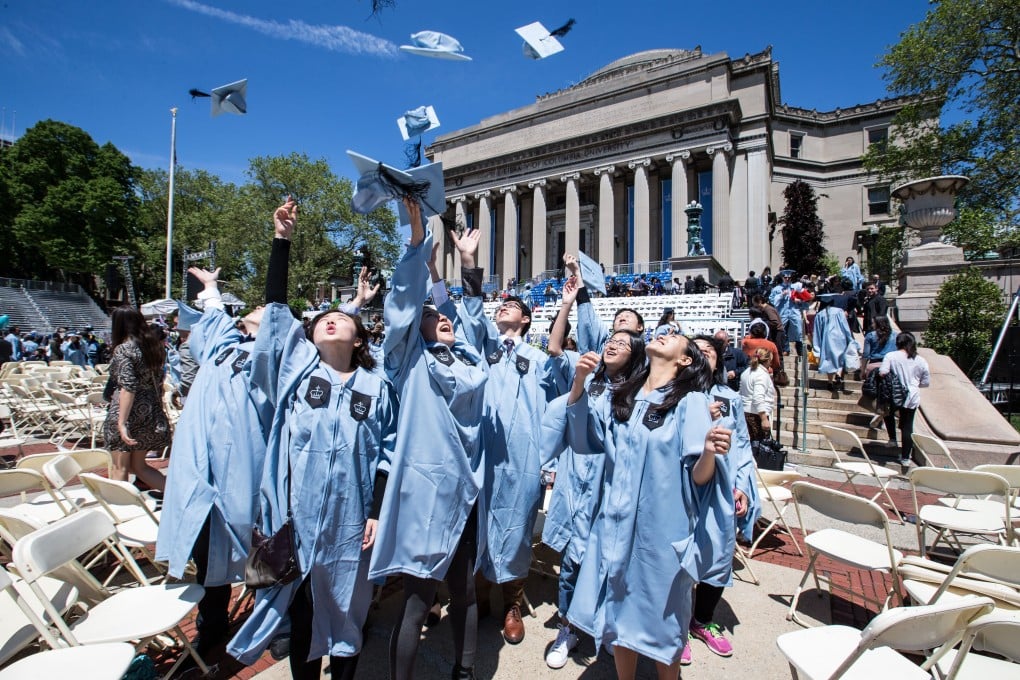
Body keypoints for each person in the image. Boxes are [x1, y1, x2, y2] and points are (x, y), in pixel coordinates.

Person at [228, 199, 395, 680]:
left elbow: (387, 451)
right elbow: (277, 314)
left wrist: (376, 511)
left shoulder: (376, 387)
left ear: (360, 339)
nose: (329, 317)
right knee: (302, 613)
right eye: (322, 316)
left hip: (351, 521)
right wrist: (281, 241)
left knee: (346, 611)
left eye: (340, 317)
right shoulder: (295, 373)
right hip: (296, 516)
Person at [564, 334, 731, 680]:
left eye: (675, 337)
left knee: (662, 632)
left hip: (659, 535)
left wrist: (710, 451)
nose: (664, 333)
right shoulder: (622, 397)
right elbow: (585, 440)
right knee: (619, 620)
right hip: (614, 529)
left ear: (685, 360)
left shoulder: (691, 402)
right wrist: (579, 383)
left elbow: (699, 477)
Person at [370, 200, 489, 680]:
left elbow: (472, 321)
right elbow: (401, 306)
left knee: (463, 590)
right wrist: (417, 239)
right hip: (424, 492)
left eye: (443, 316)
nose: (442, 318)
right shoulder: (407, 362)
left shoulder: (468, 361)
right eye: (432, 315)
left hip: (466, 490)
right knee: (418, 598)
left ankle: (464, 671)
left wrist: (466, 266)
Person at [458, 253, 566, 647]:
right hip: (479, 453)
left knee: (517, 529)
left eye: (515, 307)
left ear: (526, 321)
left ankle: (512, 604)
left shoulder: (538, 360)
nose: (505, 307)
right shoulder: (481, 350)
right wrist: (470, 264)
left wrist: (549, 461)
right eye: (502, 305)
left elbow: (560, 409)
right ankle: (477, 596)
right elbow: (470, 314)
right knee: (476, 524)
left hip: (523, 456)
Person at [541, 277, 646, 670]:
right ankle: (568, 626)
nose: (612, 343)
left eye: (623, 339)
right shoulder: (589, 372)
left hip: (614, 489)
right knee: (572, 560)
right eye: (610, 339)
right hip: (577, 480)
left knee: (612, 564)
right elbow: (555, 348)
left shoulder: (641, 392)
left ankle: (610, 629)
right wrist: (581, 380)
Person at [687, 335, 760, 665]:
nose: (704, 356)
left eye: (710, 352)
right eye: (697, 351)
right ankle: (673, 625)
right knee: (676, 557)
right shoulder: (673, 395)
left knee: (717, 554)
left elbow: (743, 446)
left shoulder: (730, 398)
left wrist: (742, 486)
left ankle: (701, 620)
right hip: (682, 487)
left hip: (720, 488)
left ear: (719, 361)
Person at [102, 307, 171, 493]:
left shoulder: (124, 349)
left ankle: (120, 510)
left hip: (127, 411)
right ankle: (180, 500)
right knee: (140, 467)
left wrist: (122, 423)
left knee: (120, 468)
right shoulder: (155, 347)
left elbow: (128, 387)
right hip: (150, 411)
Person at [565, 254, 645, 355]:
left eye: (628, 316)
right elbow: (587, 321)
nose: (622, 318)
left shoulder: (647, 357)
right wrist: (576, 272)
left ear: (640, 326)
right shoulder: (603, 348)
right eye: (618, 317)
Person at [879, 332, 930, 466]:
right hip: (911, 395)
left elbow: (883, 372)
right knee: (908, 426)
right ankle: (906, 457)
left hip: (893, 393)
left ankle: (892, 438)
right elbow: (925, 382)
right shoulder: (920, 360)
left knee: (887, 413)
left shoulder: (891, 356)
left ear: (898, 343)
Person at [812, 296, 855, 397]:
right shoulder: (839, 311)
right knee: (840, 358)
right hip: (840, 337)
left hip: (826, 340)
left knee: (829, 360)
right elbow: (845, 326)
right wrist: (850, 338)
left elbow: (817, 331)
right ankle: (839, 375)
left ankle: (830, 381)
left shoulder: (820, 314)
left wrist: (817, 347)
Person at [739, 347, 776, 442]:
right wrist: (764, 418)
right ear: (767, 360)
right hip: (757, 415)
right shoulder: (761, 375)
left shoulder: (746, 372)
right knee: (759, 446)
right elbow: (758, 397)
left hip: (745, 412)